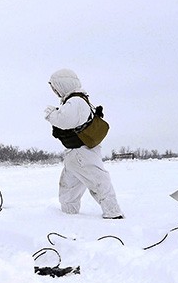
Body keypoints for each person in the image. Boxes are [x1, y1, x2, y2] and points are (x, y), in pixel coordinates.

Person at [44, 68, 124, 220]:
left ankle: (113, 213)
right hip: (75, 153)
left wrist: (51, 114)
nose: (54, 91)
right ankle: (69, 214)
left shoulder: (76, 101)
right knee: (68, 188)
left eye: (55, 87)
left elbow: (64, 121)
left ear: (63, 84)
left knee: (98, 182)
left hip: (82, 153)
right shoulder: (75, 100)